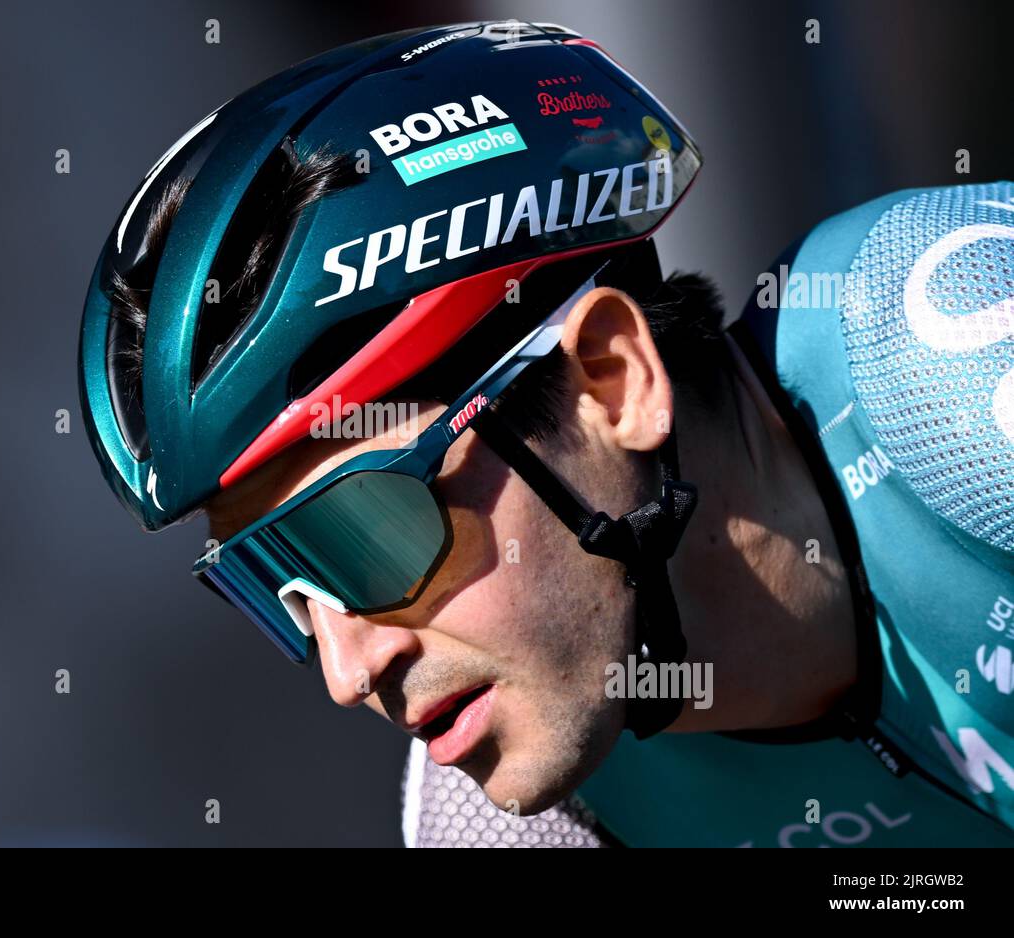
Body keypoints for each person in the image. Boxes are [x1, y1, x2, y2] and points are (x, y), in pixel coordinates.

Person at [77, 20, 1014, 847]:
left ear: (612, 380)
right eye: (269, 585)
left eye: (361, 534)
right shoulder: (492, 826)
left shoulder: (955, 365)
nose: (349, 669)